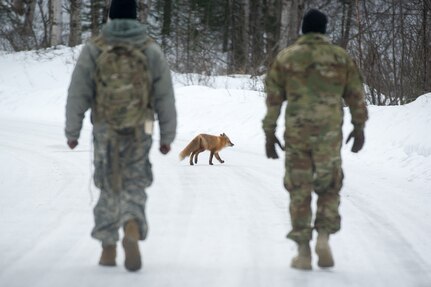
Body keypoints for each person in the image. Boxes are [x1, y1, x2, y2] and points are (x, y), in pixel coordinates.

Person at [65, 0, 176, 272]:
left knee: (108, 182)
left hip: (105, 127)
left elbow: (78, 92)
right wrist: (167, 136)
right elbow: (164, 96)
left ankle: (107, 248)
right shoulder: (149, 49)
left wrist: (73, 131)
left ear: (110, 16)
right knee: (134, 180)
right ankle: (132, 226)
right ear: (136, 17)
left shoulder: (95, 47)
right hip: (142, 127)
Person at [262, 9, 368, 270]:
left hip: (297, 136)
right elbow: (355, 94)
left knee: (299, 190)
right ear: (324, 29)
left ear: (303, 29)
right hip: (328, 136)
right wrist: (359, 126)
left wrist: (269, 131)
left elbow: (274, 99)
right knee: (329, 187)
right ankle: (323, 237)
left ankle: (303, 251)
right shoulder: (340, 58)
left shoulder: (287, 57)